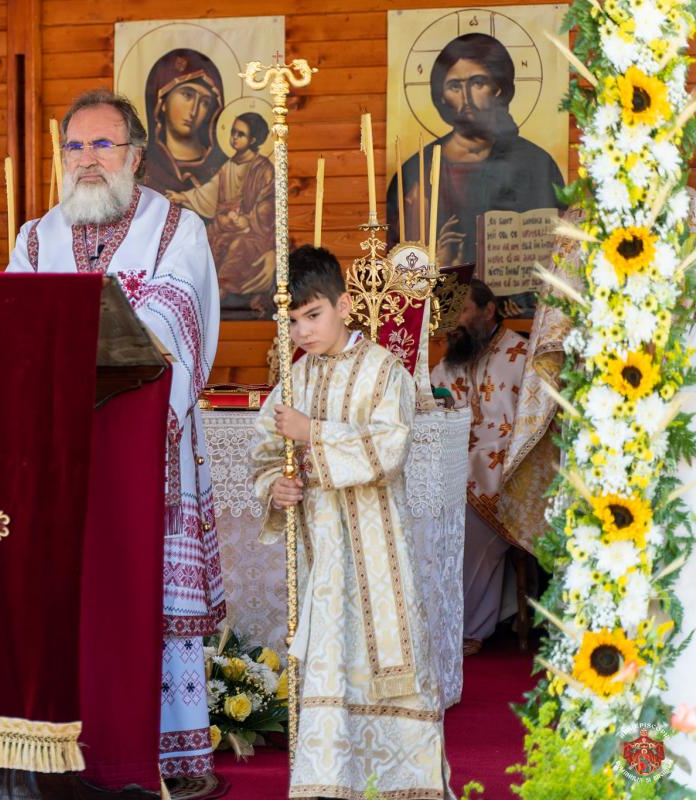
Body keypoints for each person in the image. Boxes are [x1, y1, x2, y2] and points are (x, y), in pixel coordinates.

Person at [7, 88, 225, 779]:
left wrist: (91, 324)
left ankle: (154, 753)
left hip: (143, 450)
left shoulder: (175, 229)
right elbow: (11, 319)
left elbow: (177, 316)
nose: (87, 159)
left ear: (135, 155)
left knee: (138, 589)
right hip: (57, 455)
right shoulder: (36, 237)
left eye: (103, 144)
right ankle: (53, 753)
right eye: (74, 146)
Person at [251, 245, 451, 799]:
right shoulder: (293, 378)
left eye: (312, 315)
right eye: (291, 321)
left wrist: (312, 432)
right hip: (322, 551)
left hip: (376, 546)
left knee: (385, 653)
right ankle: (327, 782)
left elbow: (390, 448)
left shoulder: (385, 369)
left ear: (343, 305)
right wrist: (277, 486)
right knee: (329, 659)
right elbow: (265, 449)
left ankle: (405, 782)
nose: (303, 331)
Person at [385, 33, 565, 266]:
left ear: (498, 89)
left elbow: (561, 244)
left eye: (478, 83)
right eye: (454, 86)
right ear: (441, 96)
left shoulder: (536, 163)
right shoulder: (416, 171)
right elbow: (399, 259)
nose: (466, 98)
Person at [430, 279, 528, 653]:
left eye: (464, 310)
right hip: (456, 466)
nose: (456, 322)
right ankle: (439, 620)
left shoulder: (520, 356)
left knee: (470, 526)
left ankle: (470, 627)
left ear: (489, 311)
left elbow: (535, 423)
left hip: (505, 468)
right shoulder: (452, 359)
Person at [168, 112, 275, 315]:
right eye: (233, 132)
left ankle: (221, 291)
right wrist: (183, 198)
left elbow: (268, 204)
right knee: (201, 241)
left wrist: (247, 220)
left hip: (253, 232)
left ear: (253, 140)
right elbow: (211, 190)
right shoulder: (229, 165)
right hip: (223, 225)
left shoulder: (263, 168)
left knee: (238, 246)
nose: (234, 137)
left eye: (240, 134)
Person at [141, 49, 226, 196]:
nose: (194, 111)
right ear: (162, 101)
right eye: (187, 95)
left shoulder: (224, 169)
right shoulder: (143, 168)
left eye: (205, 102)